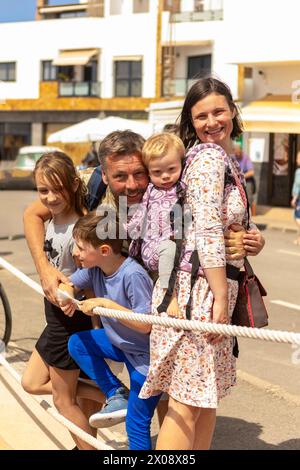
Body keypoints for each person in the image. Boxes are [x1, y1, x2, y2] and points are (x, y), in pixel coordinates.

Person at [139, 77, 264, 450]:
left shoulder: (226, 159)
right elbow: (207, 229)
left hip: (201, 285)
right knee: (187, 402)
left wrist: (254, 238)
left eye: (218, 111)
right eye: (201, 115)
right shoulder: (208, 157)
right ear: (189, 121)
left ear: (233, 111)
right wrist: (222, 301)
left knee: (203, 398)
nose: (211, 122)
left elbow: (232, 222)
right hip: (199, 291)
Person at [21, 151, 105, 450]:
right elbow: (32, 217)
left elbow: (91, 280)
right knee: (30, 382)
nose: (51, 197)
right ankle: (109, 392)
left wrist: (95, 323)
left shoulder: (80, 227)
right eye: (43, 190)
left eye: (57, 189)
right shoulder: (52, 221)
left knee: (63, 400)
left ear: (72, 185)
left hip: (71, 319)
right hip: (54, 318)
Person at [59, 212, 161, 450]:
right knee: (78, 343)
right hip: (120, 344)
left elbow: (146, 325)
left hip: (146, 357)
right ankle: (116, 392)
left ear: (104, 250)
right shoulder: (94, 269)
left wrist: (105, 305)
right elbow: (69, 283)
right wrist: (66, 295)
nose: (75, 253)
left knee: (136, 423)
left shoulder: (132, 275)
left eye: (81, 248)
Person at [127, 132, 186, 317]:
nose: (165, 176)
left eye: (171, 169)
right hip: (152, 247)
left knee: (172, 250)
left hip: (173, 246)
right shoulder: (151, 190)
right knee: (167, 250)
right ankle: (171, 298)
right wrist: (132, 227)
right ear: (149, 171)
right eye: (157, 173)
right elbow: (141, 211)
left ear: (182, 164)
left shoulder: (183, 187)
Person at [234, 142, 257, 215]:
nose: (237, 154)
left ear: (241, 150)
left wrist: (241, 176)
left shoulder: (246, 157)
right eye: (235, 152)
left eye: (238, 152)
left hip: (247, 179)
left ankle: (251, 213)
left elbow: (251, 172)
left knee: (249, 197)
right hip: (236, 180)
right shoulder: (232, 157)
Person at [291, 150, 300, 245]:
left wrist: (294, 199)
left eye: (298, 158)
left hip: (298, 199)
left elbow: (298, 185)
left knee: (296, 217)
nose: (297, 160)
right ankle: (299, 239)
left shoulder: (298, 171)